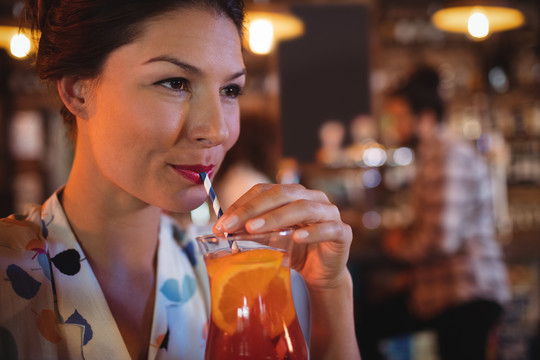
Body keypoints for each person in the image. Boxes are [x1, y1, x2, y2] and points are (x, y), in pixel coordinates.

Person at [0, 1, 361, 359]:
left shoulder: (226, 274)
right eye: (175, 83)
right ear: (77, 90)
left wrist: (329, 290)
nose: (217, 130)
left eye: (230, 91)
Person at [357, 66, 511, 360]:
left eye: (399, 118)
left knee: (368, 328)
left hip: (467, 291)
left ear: (425, 118)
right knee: (371, 325)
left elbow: (441, 239)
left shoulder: (447, 156)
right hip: (445, 292)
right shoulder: (435, 155)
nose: (393, 128)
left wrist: (399, 247)